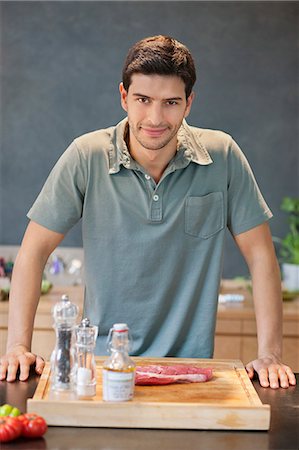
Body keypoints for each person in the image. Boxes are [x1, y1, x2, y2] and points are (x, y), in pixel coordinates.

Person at [0, 35, 296, 389]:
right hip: (100, 370)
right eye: (143, 99)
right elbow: (33, 251)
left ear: (189, 103)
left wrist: (271, 354)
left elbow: (261, 256)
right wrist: (18, 346)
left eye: (171, 102)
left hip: (192, 372)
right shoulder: (86, 155)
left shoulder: (223, 156)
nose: (155, 118)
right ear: (124, 97)